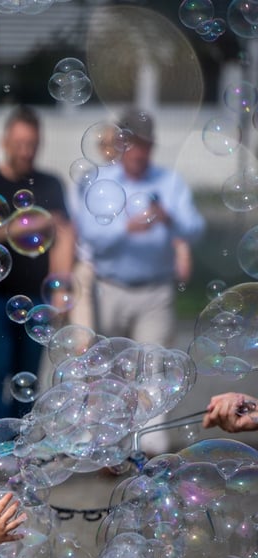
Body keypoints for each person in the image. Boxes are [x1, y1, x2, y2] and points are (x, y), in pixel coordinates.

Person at [68, 108, 205, 454]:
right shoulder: (102, 181)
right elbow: (89, 234)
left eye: (145, 145)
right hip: (108, 286)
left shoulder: (168, 182)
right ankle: (106, 446)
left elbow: (195, 228)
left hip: (155, 289)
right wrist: (126, 229)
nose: (139, 153)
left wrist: (168, 218)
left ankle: (150, 449)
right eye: (132, 145)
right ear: (120, 145)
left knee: (152, 369)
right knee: (106, 371)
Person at [0, 106, 73, 420]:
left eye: (32, 144)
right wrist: (15, 229)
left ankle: (20, 450)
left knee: (27, 378)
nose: (26, 151)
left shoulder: (50, 184)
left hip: (37, 297)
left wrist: (61, 286)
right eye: (19, 144)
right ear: (4, 142)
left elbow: (64, 235)